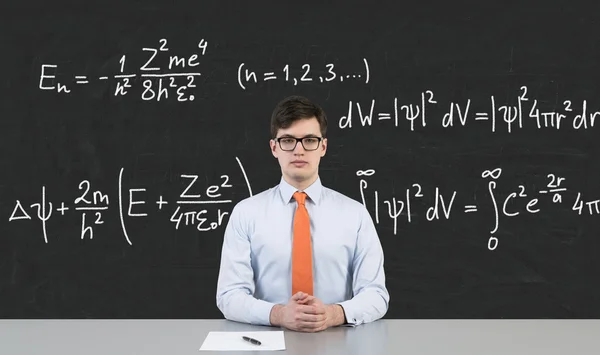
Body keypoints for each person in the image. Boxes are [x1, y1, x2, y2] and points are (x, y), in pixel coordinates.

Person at [216, 95, 389, 333]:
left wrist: (332, 314)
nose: (298, 150)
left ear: (323, 147)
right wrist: (278, 314)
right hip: (266, 342)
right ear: (274, 148)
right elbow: (229, 295)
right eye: (288, 140)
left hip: (339, 342)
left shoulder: (355, 215)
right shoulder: (246, 214)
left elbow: (376, 294)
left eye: (309, 140)